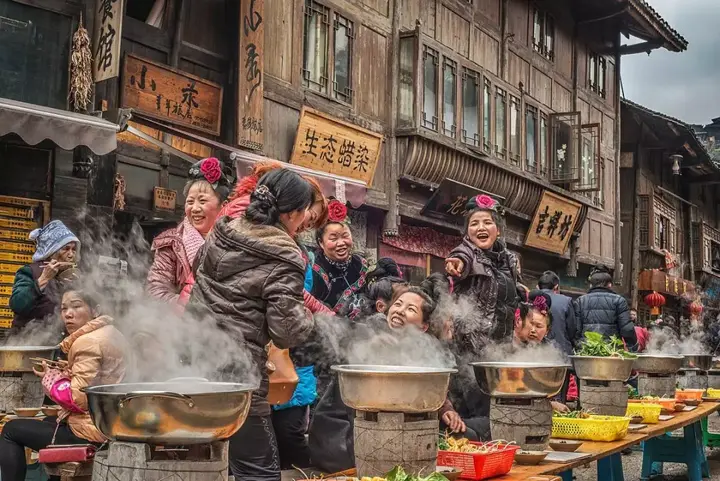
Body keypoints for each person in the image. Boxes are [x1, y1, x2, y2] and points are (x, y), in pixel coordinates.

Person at [188, 169, 315, 481]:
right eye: (306, 212)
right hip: (238, 373)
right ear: (294, 213)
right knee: (258, 472)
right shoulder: (285, 254)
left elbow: (197, 269)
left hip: (191, 355)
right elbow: (287, 331)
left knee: (206, 464)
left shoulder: (224, 229)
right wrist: (313, 322)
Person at [309, 286, 449, 473]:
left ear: (423, 327)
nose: (400, 310)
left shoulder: (418, 349)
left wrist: (447, 408)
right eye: (398, 304)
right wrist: (369, 347)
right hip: (341, 437)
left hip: (385, 434)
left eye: (410, 309)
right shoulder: (370, 330)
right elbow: (341, 337)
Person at [0, 288, 127, 481]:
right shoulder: (112, 333)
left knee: (11, 430)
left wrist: (52, 380)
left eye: (76, 306)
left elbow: (79, 399)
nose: (68, 314)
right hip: (111, 424)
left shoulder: (87, 342)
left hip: (92, 433)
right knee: (48, 422)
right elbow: (100, 378)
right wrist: (67, 371)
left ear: (96, 310)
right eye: (64, 308)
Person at [146, 157, 230, 306]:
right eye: (190, 202)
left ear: (223, 206)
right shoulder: (171, 243)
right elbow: (156, 291)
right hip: (182, 325)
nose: (195, 208)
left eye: (202, 201)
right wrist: (191, 308)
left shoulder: (237, 245)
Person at [445, 194, 521, 350]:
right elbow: (461, 257)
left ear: (498, 230)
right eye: (474, 224)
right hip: (470, 350)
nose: (480, 228)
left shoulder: (509, 260)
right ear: (467, 232)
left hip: (502, 348)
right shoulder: (467, 253)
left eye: (487, 222)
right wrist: (457, 263)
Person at [10, 220, 79, 336]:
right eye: (66, 249)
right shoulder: (30, 271)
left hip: (59, 342)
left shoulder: (71, 276)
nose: (71, 254)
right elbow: (17, 304)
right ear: (51, 251)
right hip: (29, 341)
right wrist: (43, 279)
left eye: (73, 249)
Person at [310, 199, 369, 313]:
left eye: (345, 236)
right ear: (321, 243)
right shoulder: (314, 269)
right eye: (333, 238)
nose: (341, 243)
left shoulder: (361, 265)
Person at [574, 265, 637, 348]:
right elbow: (627, 329)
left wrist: (578, 345)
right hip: (611, 350)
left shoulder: (580, 301)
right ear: (610, 285)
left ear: (591, 285)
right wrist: (633, 347)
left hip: (587, 348)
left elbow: (576, 330)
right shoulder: (619, 301)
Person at [537, 271, 577, 356]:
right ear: (556, 287)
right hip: (561, 352)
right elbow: (572, 330)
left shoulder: (529, 299)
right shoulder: (566, 301)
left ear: (538, 287)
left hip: (534, 351)